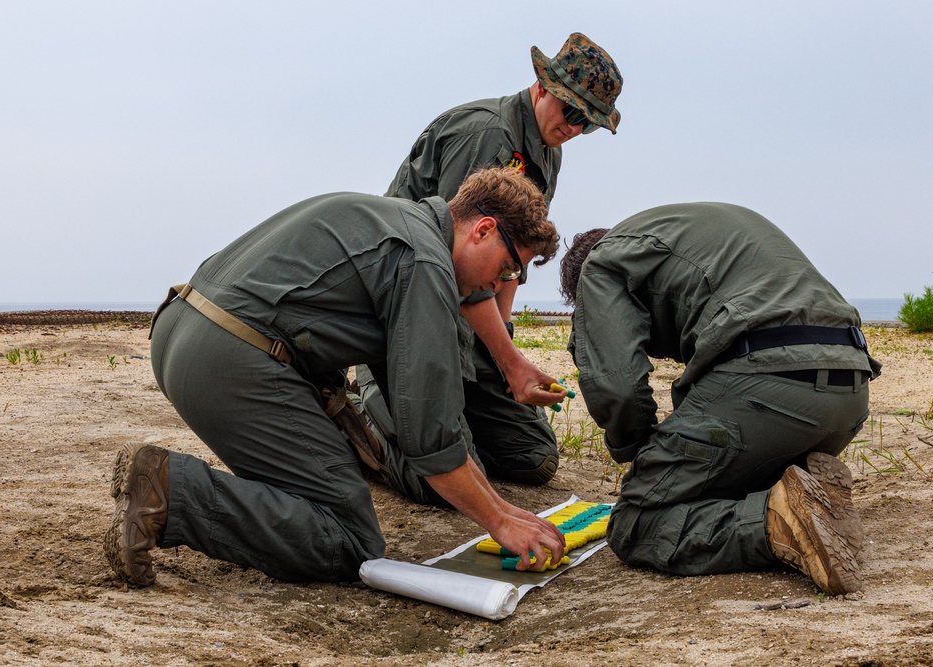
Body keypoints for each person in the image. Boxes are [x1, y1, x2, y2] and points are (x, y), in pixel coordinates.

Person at [103, 167, 567, 587]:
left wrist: (507, 510)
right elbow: (431, 438)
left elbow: (419, 410)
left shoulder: (397, 220)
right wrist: (501, 522)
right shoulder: (425, 262)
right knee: (348, 538)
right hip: (232, 357)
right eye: (509, 268)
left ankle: (177, 490)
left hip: (182, 329)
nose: (501, 284)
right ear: (483, 230)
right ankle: (171, 491)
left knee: (317, 491)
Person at [559, 202, 882, 595]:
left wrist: (640, 454)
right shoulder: (691, 232)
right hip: (850, 393)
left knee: (635, 523)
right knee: (720, 484)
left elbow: (617, 386)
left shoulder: (602, 263)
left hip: (768, 388)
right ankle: (809, 497)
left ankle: (776, 521)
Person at [358, 32, 624, 496]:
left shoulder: (548, 149)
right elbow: (462, 263)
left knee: (534, 459)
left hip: (464, 315)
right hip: (406, 310)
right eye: (573, 112)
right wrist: (509, 361)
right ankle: (363, 411)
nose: (577, 129)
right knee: (439, 485)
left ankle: (442, 421)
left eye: (590, 123)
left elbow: (510, 260)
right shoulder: (486, 136)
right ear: (543, 88)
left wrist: (505, 349)